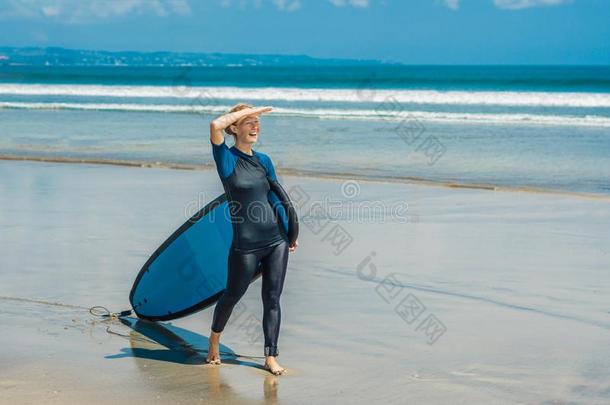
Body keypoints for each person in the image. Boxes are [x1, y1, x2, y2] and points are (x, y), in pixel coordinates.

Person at [207, 103, 298, 375]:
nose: (256, 126)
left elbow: (277, 196)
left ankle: (270, 356)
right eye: (249, 122)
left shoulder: (264, 160)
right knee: (233, 294)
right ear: (234, 127)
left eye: (258, 122)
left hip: (275, 240)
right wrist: (249, 108)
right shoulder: (227, 160)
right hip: (245, 245)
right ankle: (214, 341)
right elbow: (214, 125)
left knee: (272, 298)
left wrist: (291, 232)